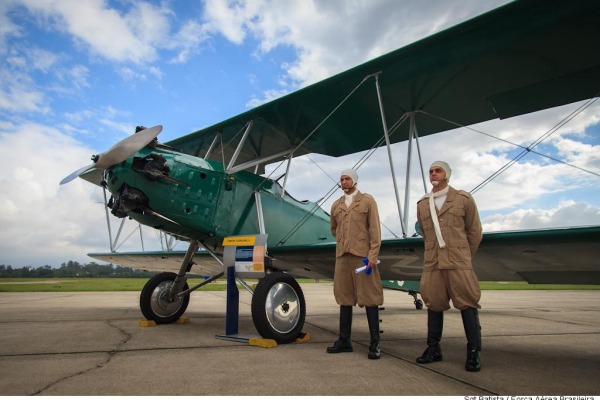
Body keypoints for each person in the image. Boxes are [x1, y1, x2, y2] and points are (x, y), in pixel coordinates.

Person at [415, 161, 483, 372]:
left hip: (458, 262)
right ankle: (433, 348)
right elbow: (427, 235)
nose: (433, 174)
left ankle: (474, 352)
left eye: (438, 170)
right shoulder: (423, 204)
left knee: (467, 303)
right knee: (433, 303)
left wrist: (463, 255)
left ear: (447, 174)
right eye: (431, 171)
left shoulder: (463, 199)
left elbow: (474, 231)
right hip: (433, 263)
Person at [327, 168, 383, 360]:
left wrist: (373, 255)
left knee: (370, 297)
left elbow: (375, 230)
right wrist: (345, 241)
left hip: (363, 258)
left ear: (355, 181)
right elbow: (334, 229)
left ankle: (375, 343)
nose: (344, 182)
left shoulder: (367, 201)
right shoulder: (336, 205)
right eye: (342, 179)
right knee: (344, 297)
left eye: (347, 179)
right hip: (343, 256)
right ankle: (344, 340)